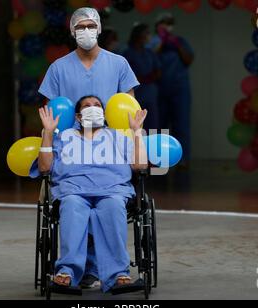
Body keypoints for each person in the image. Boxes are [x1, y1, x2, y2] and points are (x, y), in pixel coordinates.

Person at [38, 7, 140, 288]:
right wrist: (50, 140)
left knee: (108, 201)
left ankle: (107, 272)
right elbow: (50, 113)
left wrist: (133, 139)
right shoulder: (59, 68)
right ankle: (76, 270)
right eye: (79, 26)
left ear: (98, 29)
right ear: (72, 31)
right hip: (71, 145)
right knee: (74, 200)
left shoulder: (118, 64)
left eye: (90, 26)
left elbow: (129, 110)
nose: (85, 31)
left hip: (109, 145)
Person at [37, 96, 148, 292]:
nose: (93, 108)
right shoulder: (63, 137)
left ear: (104, 114)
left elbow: (140, 165)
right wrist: (47, 132)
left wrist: (137, 131)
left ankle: (119, 274)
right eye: (87, 106)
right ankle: (66, 272)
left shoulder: (119, 137)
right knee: (71, 205)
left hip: (112, 191)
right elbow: (45, 167)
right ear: (78, 116)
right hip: (73, 191)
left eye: (97, 105)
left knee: (113, 207)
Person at [149, 12, 194, 165]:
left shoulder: (179, 41)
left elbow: (188, 59)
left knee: (181, 124)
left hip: (179, 89)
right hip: (160, 90)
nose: (167, 25)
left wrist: (176, 45)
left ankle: (183, 160)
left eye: (170, 22)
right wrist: (161, 42)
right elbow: (150, 58)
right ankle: (157, 160)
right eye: (164, 22)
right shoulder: (152, 42)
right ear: (157, 25)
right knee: (158, 125)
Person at [124, 23, 161, 130]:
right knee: (137, 127)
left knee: (153, 126)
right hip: (137, 95)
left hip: (151, 95)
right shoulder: (128, 53)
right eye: (147, 33)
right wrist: (141, 79)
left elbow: (158, 72)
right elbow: (126, 76)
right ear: (138, 35)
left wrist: (148, 78)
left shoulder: (149, 53)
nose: (149, 36)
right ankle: (137, 146)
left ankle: (153, 147)